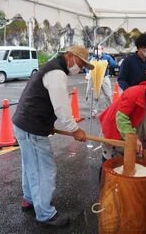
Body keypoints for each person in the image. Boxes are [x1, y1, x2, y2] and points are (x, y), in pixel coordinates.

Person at [12, 46, 93, 227]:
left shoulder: (51, 67)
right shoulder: (57, 72)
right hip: (31, 127)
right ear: (70, 56)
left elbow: (43, 100)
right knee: (44, 170)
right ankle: (45, 214)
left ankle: (29, 199)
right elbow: (62, 107)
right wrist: (75, 130)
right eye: (80, 64)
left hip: (26, 124)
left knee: (30, 164)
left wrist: (48, 125)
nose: (80, 69)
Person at [99, 77, 146, 161]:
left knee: (130, 162)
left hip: (134, 136)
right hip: (114, 131)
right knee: (111, 164)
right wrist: (133, 138)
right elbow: (121, 118)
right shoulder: (134, 93)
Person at [85, 46, 118, 117]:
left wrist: (107, 64)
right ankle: (94, 111)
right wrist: (87, 73)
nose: (98, 51)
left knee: (108, 95)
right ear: (94, 51)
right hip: (95, 78)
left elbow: (114, 64)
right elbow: (87, 66)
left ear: (102, 50)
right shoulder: (92, 58)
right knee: (95, 96)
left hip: (104, 78)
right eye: (96, 50)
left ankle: (110, 110)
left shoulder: (107, 57)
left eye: (99, 49)